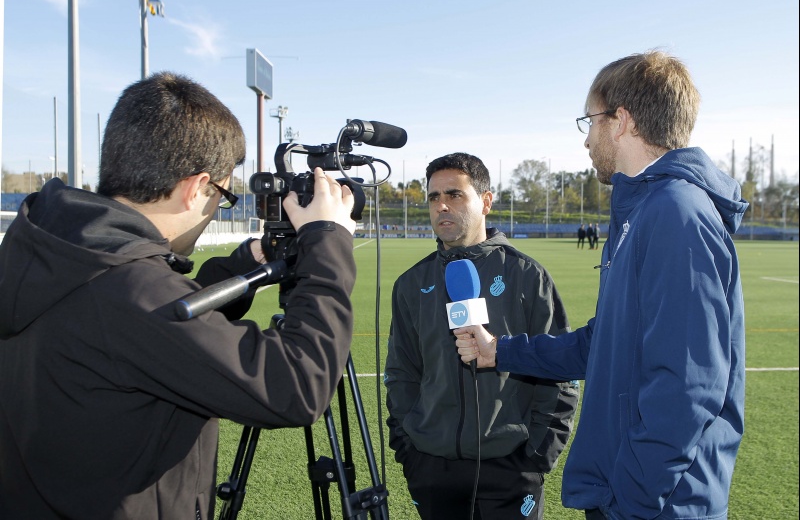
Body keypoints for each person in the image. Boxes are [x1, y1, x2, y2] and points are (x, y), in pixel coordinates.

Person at [0, 72, 357, 519]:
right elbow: (300, 385)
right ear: (195, 187)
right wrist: (328, 242)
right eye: (221, 196)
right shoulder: (131, 291)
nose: (214, 212)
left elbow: (158, 329)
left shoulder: (53, 245)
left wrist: (251, 259)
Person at [455, 51, 748, 520]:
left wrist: (631, 500)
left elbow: (688, 389)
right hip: (629, 494)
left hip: (654, 505)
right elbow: (607, 344)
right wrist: (501, 352)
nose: (587, 139)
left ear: (621, 122)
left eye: (589, 121)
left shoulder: (676, 213)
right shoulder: (643, 209)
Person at [384, 152, 579, 520]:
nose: (442, 205)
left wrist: (536, 456)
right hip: (432, 468)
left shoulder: (527, 276)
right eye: (433, 197)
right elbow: (401, 373)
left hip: (510, 466)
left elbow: (561, 371)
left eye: (455, 195)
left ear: (486, 201)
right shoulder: (411, 283)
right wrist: (410, 449)